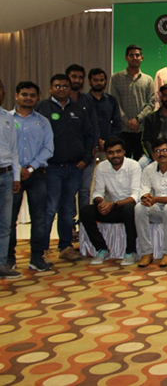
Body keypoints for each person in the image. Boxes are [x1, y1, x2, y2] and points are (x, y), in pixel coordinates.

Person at [36, 74, 94, 262]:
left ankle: (65, 246)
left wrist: (85, 159)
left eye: (65, 86)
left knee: (68, 209)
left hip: (74, 168)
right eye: (57, 86)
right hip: (51, 168)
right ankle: (42, 249)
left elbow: (89, 136)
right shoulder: (42, 109)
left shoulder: (78, 109)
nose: (61, 89)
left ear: (70, 89)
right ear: (50, 88)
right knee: (49, 209)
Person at [9, 81, 53, 273]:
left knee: (39, 219)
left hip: (37, 176)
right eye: (24, 94)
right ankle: (8, 259)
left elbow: (48, 148)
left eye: (32, 95)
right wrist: (18, 169)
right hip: (12, 177)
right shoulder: (6, 120)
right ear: (16, 96)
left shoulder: (43, 121)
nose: (28, 98)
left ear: (37, 98)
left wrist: (31, 168)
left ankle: (37, 258)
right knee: (9, 220)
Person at [80, 137, 141, 266]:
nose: (115, 155)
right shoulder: (102, 167)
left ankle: (131, 252)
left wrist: (113, 204)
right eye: (111, 153)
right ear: (106, 154)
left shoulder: (133, 165)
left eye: (118, 151)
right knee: (85, 211)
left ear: (124, 151)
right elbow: (97, 192)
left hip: (127, 208)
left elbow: (135, 195)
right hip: (111, 208)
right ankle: (101, 249)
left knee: (129, 208)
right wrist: (100, 203)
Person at [134, 138, 167, 268]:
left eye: (164, 150)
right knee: (139, 207)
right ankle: (146, 253)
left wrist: (155, 199)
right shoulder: (148, 169)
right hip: (157, 208)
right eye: (157, 151)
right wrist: (146, 198)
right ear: (153, 154)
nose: (161, 154)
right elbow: (144, 191)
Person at [109, 44, 155, 160]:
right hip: (122, 129)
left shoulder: (148, 79)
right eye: (131, 55)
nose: (135, 58)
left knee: (140, 162)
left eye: (137, 55)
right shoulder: (116, 78)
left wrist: (138, 120)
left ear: (142, 58)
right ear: (126, 58)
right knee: (123, 161)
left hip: (141, 129)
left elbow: (151, 103)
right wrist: (127, 121)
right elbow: (114, 102)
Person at [66, 64, 100, 209]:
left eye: (80, 77)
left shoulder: (87, 100)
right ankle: (70, 220)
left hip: (86, 152)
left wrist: (94, 146)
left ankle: (84, 220)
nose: (77, 80)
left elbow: (94, 124)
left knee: (85, 190)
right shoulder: (62, 100)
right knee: (69, 191)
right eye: (74, 77)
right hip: (66, 156)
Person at [0, 78, 21, 279]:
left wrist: (16, 176)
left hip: (6, 176)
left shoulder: (8, 117)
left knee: (5, 224)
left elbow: (14, 150)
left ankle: (2, 264)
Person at [140, 84, 167, 168]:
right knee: (140, 164)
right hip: (153, 153)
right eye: (165, 95)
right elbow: (145, 140)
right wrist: (152, 154)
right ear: (161, 97)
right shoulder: (151, 117)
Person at [87, 68, 122, 157]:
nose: (99, 83)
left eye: (101, 80)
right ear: (89, 81)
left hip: (109, 147)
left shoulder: (111, 100)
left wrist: (107, 142)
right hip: (88, 147)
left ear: (105, 81)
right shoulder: (83, 101)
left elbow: (117, 124)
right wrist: (95, 142)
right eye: (95, 80)